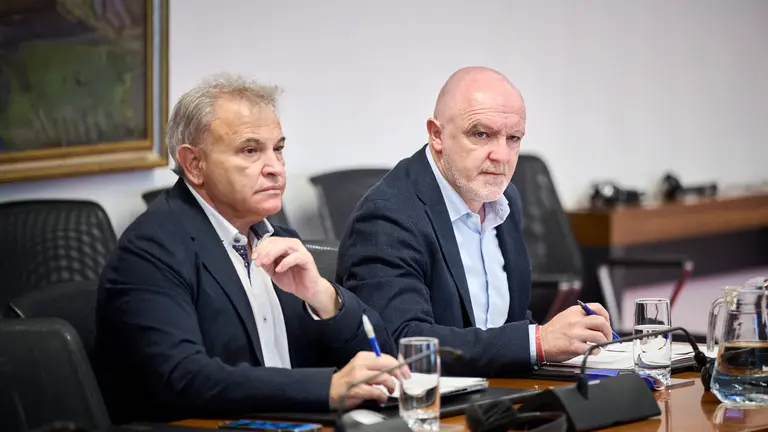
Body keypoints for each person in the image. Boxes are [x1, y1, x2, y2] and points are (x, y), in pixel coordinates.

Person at [94, 73, 401, 423]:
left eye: (279, 149)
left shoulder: (280, 240)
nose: (275, 169)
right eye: (251, 150)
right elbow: (183, 379)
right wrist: (327, 388)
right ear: (195, 164)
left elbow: (381, 358)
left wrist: (321, 295)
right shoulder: (151, 250)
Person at [336, 66, 615, 377]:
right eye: (481, 134)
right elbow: (403, 344)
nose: (502, 155)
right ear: (437, 134)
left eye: (513, 138)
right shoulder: (387, 217)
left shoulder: (505, 200)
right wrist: (538, 341)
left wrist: (564, 339)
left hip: (501, 395)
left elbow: (506, 323)